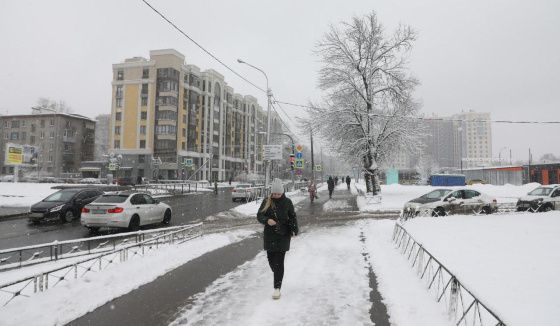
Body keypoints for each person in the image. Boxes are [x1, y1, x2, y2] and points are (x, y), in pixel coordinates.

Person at [257, 178, 299, 300]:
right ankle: (278, 275)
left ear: (282, 192)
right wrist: (266, 220)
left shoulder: (287, 202)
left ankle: (277, 288)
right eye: (274, 194)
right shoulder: (267, 201)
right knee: (271, 261)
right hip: (270, 236)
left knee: (279, 262)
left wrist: (295, 229)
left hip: (283, 235)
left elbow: (292, 217)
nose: (276, 196)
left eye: (278, 194)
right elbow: (259, 215)